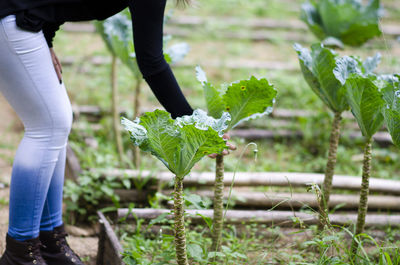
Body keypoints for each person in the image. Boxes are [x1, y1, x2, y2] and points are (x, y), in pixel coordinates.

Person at [0, 0, 236, 264]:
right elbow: (152, 62)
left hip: (24, 21)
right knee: (48, 125)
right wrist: (196, 125)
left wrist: (47, 40)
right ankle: (20, 252)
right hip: (11, 17)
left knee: (57, 123)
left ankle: (49, 240)